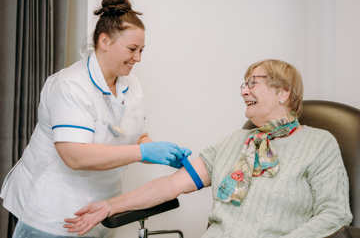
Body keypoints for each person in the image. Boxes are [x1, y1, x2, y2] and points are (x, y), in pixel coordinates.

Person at [64, 59, 352, 238]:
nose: (243, 91)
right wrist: (110, 206)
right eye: (243, 84)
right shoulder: (231, 144)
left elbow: (335, 213)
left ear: (283, 92)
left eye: (253, 83)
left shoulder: (319, 143)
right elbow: (170, 185)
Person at [0, 0, 191, 238]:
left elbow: (138, 137)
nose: (138, 58)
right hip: (51, 205)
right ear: (104, 41)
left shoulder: (132, 85)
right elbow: (74, 155)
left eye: (142, 50)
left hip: (100, 205)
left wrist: (161, 154)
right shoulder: (70, 85)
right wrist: (143, 152)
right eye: (132, 49)